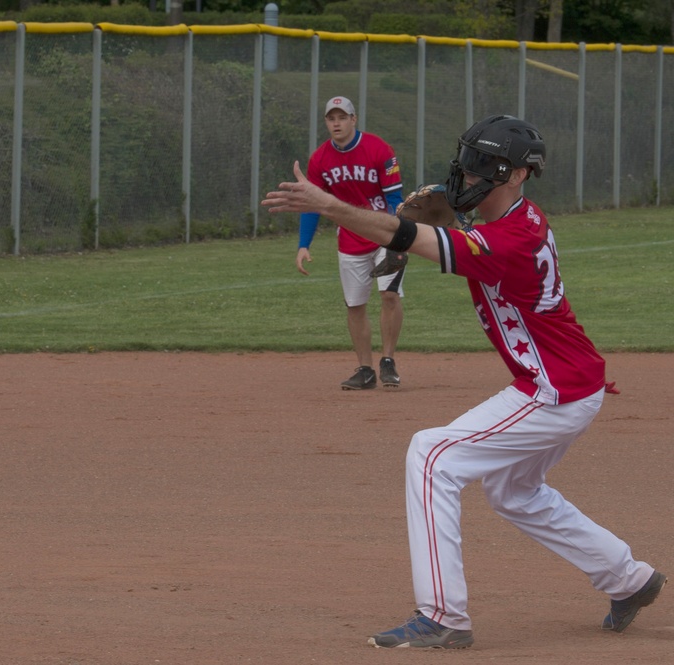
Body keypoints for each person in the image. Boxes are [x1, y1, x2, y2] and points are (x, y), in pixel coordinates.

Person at [263, 114, 666, 649]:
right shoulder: (513, 221)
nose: (468, 172)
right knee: (514, 491)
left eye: (485, 165)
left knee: (432, 456)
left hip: (554, 390)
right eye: (469, 159)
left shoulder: (511, 240)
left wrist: (331, 206)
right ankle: (629, 579)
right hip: (565, 380)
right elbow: (444, 236)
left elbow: (406, 234)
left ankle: (442, 616)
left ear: (518, 175)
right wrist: (433, 228)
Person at [297, 96, 406, 390]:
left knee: (389, 296)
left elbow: (395, 199)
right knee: (355, 305)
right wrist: (303, 244)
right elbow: (312, 204)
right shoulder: (319, 159)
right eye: (331, 118)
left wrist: (397, 240)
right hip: (349, 238)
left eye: (342, 117)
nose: (336, 123)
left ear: (353, 120)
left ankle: (388, 361)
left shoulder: (378, 149)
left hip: (384, 232)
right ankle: (365, 369)